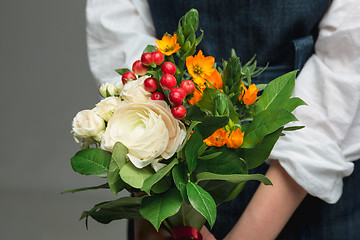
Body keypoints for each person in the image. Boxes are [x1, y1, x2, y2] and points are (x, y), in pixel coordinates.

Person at [86, 0, 360, 239]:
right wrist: (152, 197)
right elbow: (119, 27)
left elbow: (346, 57)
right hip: (168, 178)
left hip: (309, 182)